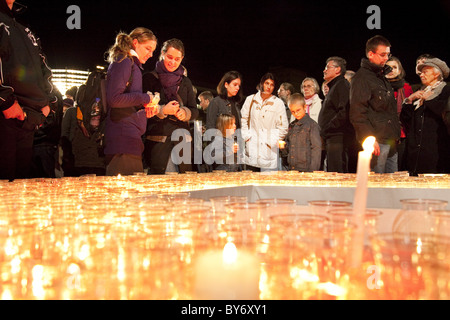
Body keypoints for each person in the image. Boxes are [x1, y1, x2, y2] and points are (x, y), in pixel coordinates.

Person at [0, 0, 57, 181]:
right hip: (6, 115)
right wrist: (5, 101)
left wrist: (49, 102)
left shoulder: (24, 26)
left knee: (20, 192)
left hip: (29, 119)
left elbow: (43, 66)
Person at [104, 27, 160, 176]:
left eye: (153, 50)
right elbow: (114, 99)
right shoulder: (124, 61)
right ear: (135, 43)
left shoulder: (131, 64)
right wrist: (145, 98)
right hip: (123, 141)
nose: (151, 54)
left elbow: (125, 103)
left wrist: (144, 111)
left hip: (129, 140)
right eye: (148, 48)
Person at [142, 38, 199, 174]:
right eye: (169, 57)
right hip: (159, 140)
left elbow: (194, 110)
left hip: (182, 141)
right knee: (163, 185)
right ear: (162, 53)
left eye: (177, 59)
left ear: (182, 59)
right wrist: (162, 110)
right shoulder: (149, 78)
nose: (172, 62)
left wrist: (185, 113)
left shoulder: (185, 82)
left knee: (184, 185)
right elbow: (141, 108)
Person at [350, 35, 401, 174]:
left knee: (392, 187)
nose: (386, 58)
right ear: (370, 54)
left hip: (390, 141)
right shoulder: (361, 78)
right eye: (382, 54)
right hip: (377, 142)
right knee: (375, 188)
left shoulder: (381, 77)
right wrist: (368, 139)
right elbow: (357, 112)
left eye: (388, 54)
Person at [400, 57, 450, 175]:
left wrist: (429, 99)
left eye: (425, 72)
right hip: (416, 149)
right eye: (421, 72)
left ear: (437, 73)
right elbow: (407, 119)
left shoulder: (446, 90)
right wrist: (409, 100)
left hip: (435, 149)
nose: (421, 75)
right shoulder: (419, 91)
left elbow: (443, 111)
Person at [241, 72, 289, 171]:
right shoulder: (250, 99)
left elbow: (283, 127)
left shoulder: (278, 103)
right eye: (267, 83)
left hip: (269, 151)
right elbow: (243, 119)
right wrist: (246, 136)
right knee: (251, 180)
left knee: (267, 183)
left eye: (272, 85)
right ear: (262, 83)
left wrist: (271, 141)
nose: (269, 87)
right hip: (252, 148)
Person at [318, 56, 358, 173]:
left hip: (338, 137)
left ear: (337, 69)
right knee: (332, 170)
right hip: (332, 137)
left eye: (327, 67)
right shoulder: (334, 86)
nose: (324, 70)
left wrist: (328, 128)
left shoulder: (341, 85)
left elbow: (344, 111)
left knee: (337, 172)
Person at [279, 93, 321, 172]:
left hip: (306, 169)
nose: (296, 114)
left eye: (298, 110)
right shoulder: (292, 126)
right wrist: (283, 146)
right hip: (292, 169)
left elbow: (316, 149)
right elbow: (288, 148)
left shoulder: (312, 125)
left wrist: (312, 172)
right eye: (293, 112)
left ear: (305, 107)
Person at [385, 56, 413, 171]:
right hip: (381, 133)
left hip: (401, 135)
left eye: (394, 67)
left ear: (400, 71)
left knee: (397, 170)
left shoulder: (406, 88)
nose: (391, 70)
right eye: (388, 67)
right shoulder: (377, 86)